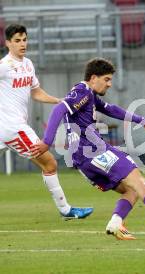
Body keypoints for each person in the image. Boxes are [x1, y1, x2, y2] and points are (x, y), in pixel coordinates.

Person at [31, 57, 145, 240]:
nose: (109, 84)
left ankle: (115, 224)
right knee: (138, 181)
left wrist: (142, 121)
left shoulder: (89, 95)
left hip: (82, 161)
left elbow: (111, 109)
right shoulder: (82, 91)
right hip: (94, 151)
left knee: (130, 190)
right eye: (107, 79)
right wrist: (47, 141)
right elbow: (58, 110)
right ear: (94, 77)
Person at [0, 24, 93, 219]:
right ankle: (66, 210)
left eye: (24, 39)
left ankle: (66, 210)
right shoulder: (4, 67)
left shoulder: (28, 64)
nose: (22, 44)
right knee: (49, 163)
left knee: (48, 165)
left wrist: (58, 101)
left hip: (12, 128)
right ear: (7, 43)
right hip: (13, 128)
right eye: (17, 41)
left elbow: (35, 92)